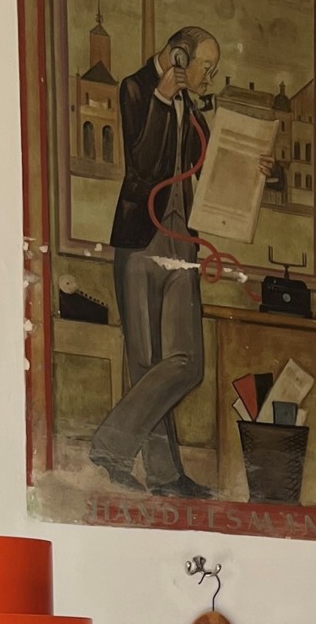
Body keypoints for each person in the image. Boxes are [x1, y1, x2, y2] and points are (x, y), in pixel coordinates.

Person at [89, 25, 221, 499]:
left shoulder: (200, 114)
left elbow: (208, 176)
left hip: (181, 245)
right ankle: (164, 477)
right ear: (180, 57)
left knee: (186, 362)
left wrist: (253, 171)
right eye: (207, 67)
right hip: (140, 241)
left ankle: (109, 445)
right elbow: (142, 167)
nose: (210, 77)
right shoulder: (135, 89)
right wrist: (163, 102)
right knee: (145, 361)